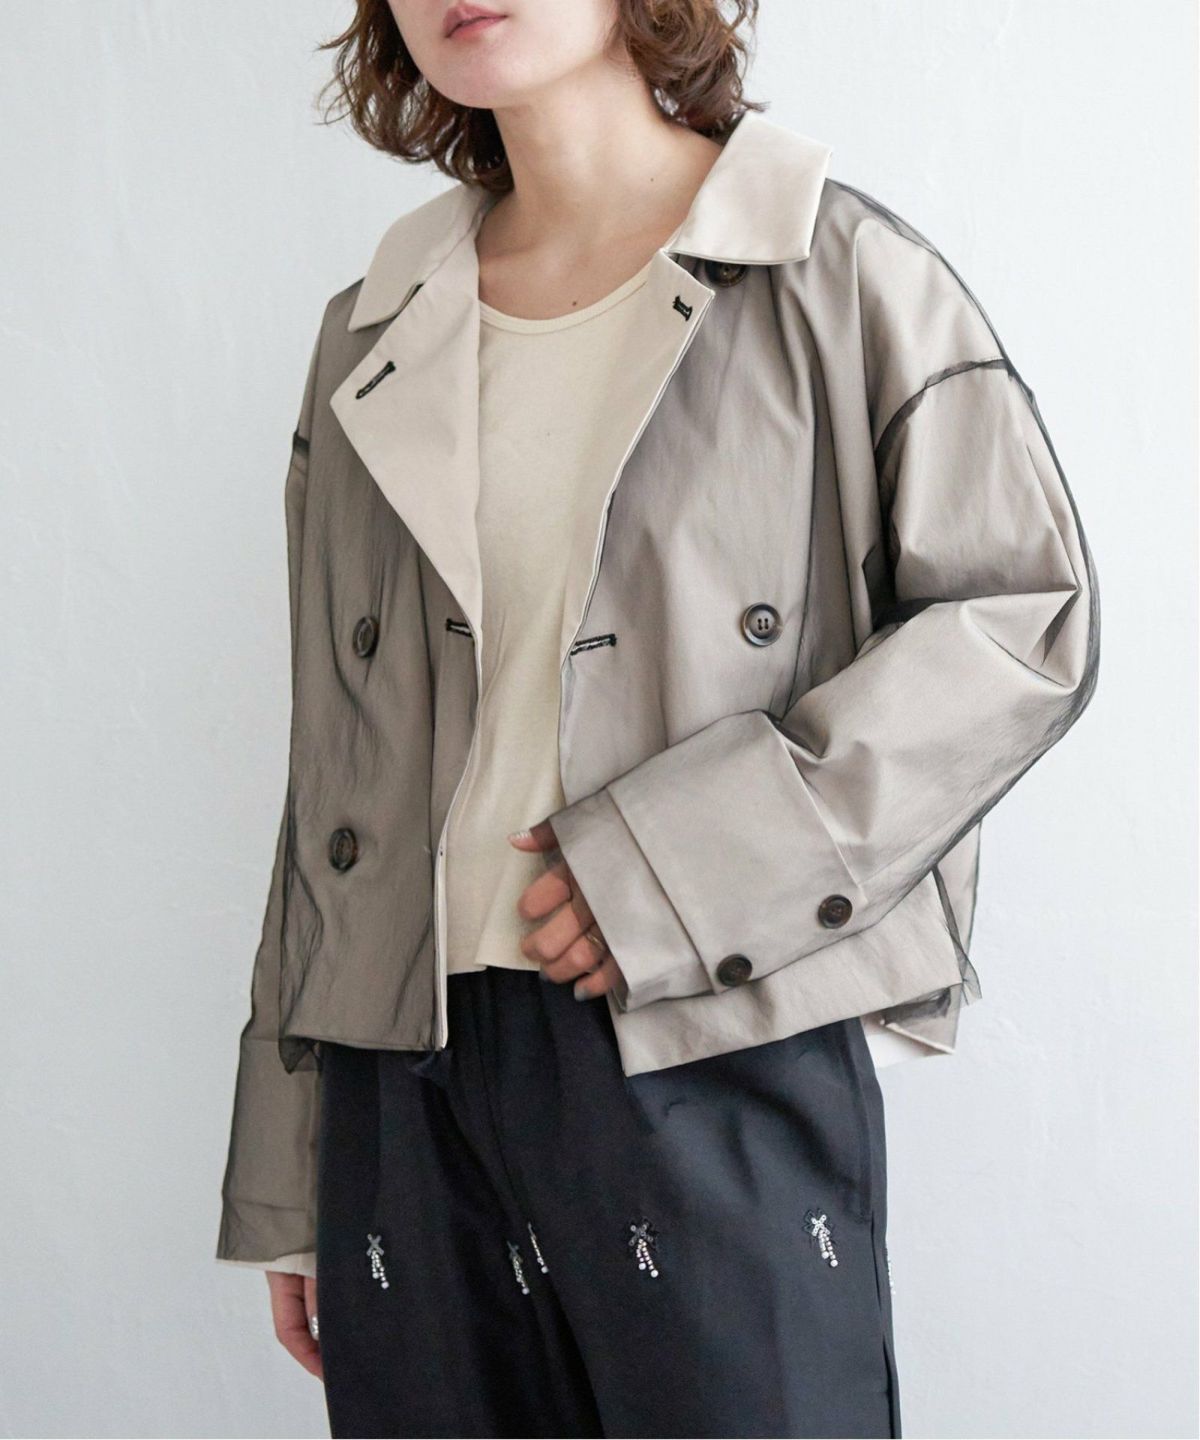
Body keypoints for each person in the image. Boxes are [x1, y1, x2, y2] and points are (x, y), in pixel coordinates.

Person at [215, 1, 1100, 1435]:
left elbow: (1020, 620)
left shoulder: (828, 267)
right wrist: (292, 1159)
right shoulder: (374, 327)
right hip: (398, 1077)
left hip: (707, 1032)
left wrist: (682, 867)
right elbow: (336, 763)